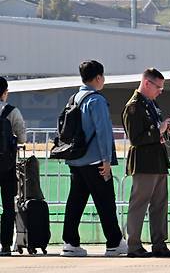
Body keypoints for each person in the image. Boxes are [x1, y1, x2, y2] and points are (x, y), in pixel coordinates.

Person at [61, 60, 126, 257]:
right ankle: (114, 242)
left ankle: (70, 242)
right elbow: (104, 132)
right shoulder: (96, 100)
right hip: (95, 161)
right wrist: (107, 160)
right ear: (98, 78)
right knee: (105, 201)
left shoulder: (74, 98)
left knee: (75, 202)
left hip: (76, 160)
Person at [123, 68, 170, 258]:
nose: (160, 91)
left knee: (160, 205)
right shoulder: (134, 106)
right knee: (139, 204)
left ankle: (159, 243)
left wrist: (166, 129)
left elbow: (154, 132)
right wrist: (159, 129)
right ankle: (134, 245)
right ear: (147, 83)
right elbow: (136, 138)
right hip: (144, 163)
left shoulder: (151, 104)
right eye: (158, 87)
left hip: (157, 160)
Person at [0, 76, 27, 256]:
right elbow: (22, 137)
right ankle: (6, 246)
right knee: (8, 207)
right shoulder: (12, 111)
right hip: (6, 167)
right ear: (4, 92)